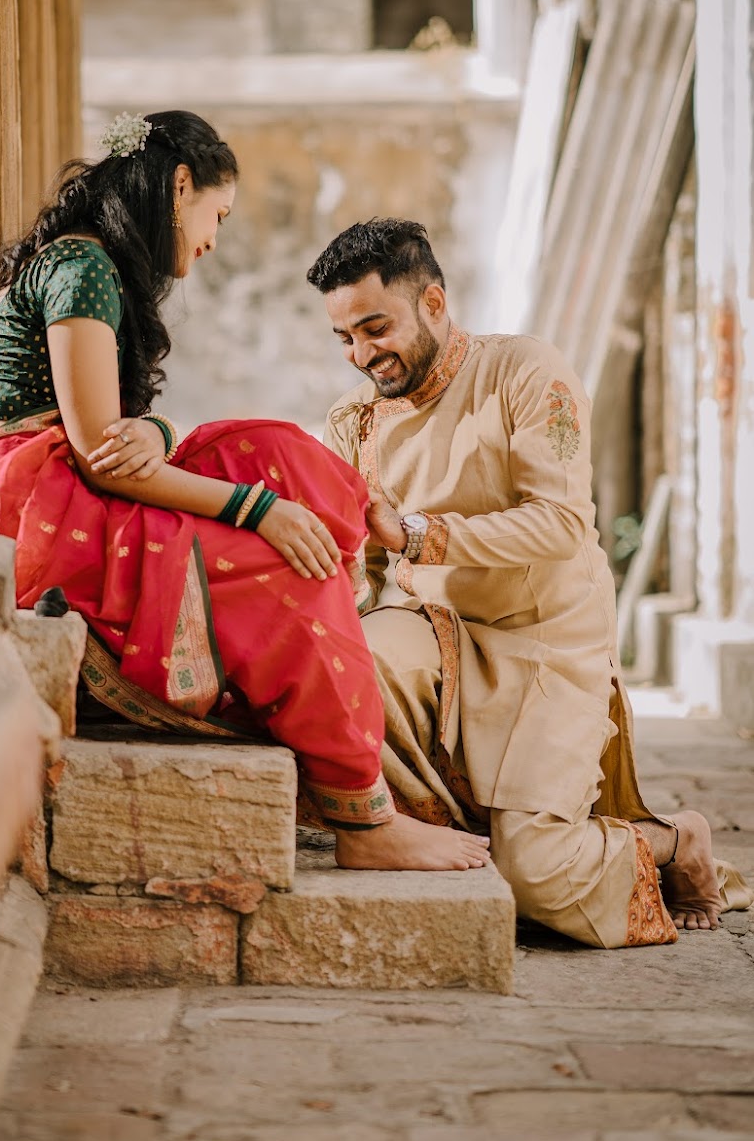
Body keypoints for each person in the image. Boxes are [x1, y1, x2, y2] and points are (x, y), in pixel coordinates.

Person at [0, 112, 490, 873]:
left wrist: (171, 440)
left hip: (66, 483)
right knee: (282, 564)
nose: (213, 237)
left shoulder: (98, 266)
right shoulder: (81, 268)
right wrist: (257, 512)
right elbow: (101, 456)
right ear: (181, 187)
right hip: (40, 506)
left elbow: (118, 438)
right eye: (217, 214)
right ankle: (363, 820)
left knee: (275, 449)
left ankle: (338, 576)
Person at [308, 217, 752, 945]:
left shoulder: (526, 372)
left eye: (375, 328)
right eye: (345, 338)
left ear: (434, 304)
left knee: (536, 875)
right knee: (345, 660)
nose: (362, 354)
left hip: (548, 642)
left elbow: (562, 525)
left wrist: (420, 532)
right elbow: (369, 570)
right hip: (436, 631)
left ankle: (673, 841)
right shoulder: (353, 421)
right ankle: (441, 823)